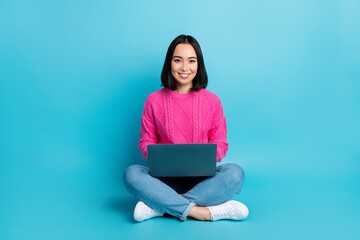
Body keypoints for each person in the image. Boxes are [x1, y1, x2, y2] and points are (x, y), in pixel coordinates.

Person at [124, 34, 249, 222]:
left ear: (199, 65)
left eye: (191, 61)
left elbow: (221, 143)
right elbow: (146, 142)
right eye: (178, 60)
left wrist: (205, 157)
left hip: (203, 181)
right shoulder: (153, 100)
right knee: (132, 174)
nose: (184, 68)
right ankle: (203, 212)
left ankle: (160, 207)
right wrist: (157, 155)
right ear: (169, 63)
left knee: (235, 173)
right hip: (164, 181)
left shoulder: (212, 101)